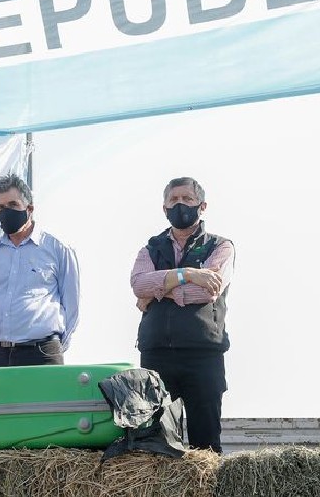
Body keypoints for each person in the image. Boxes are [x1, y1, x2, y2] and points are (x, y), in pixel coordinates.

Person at [130, 176, 235, 453]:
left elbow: (208, 291)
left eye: (187, 199)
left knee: (206, 448)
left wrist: (158, 291)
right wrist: (187, 274)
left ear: (202, 206)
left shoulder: (221, 246)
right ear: (164, 209)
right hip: (157, 356)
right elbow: (138, 285)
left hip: (202, 356)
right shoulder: (150, 247)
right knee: (157, 446)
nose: (180, 205)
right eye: (173, 200)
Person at [0, 173, 80, 368]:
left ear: (29, 208)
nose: (6, 212)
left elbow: (72, 305)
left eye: (13, 205)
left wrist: (54, 346)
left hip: (41, 354)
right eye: (0, 208)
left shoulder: (57, 248)